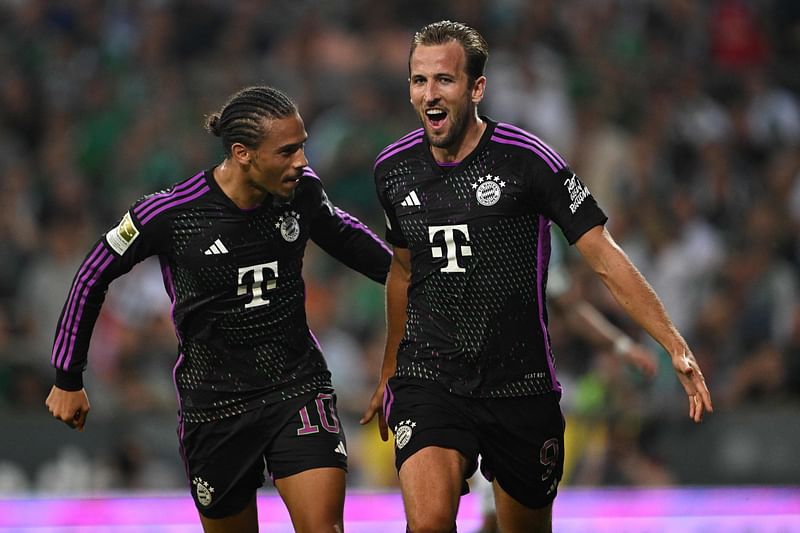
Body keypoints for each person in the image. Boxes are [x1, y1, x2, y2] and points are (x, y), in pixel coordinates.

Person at [360, 20, 712, 533]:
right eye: (419, 80)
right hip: (431, 377)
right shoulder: (392, 169)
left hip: (519, 384)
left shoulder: (527, 161)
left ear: (476, 88)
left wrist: (672, 343)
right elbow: (402, 268)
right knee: (430, 522)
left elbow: (604, 256)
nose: (429, 94)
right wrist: (391, 366)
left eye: (444, 80)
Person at [45, 85, 392, 533]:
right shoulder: (172, 213)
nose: (302, 161)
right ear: (242, 153)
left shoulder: (301, 192)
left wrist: (424, 281)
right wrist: (67, 377)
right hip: (215, 405)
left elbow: (347, 238)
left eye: (302, 146)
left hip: (296, 386)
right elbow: (94, 272)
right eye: (287, 151)